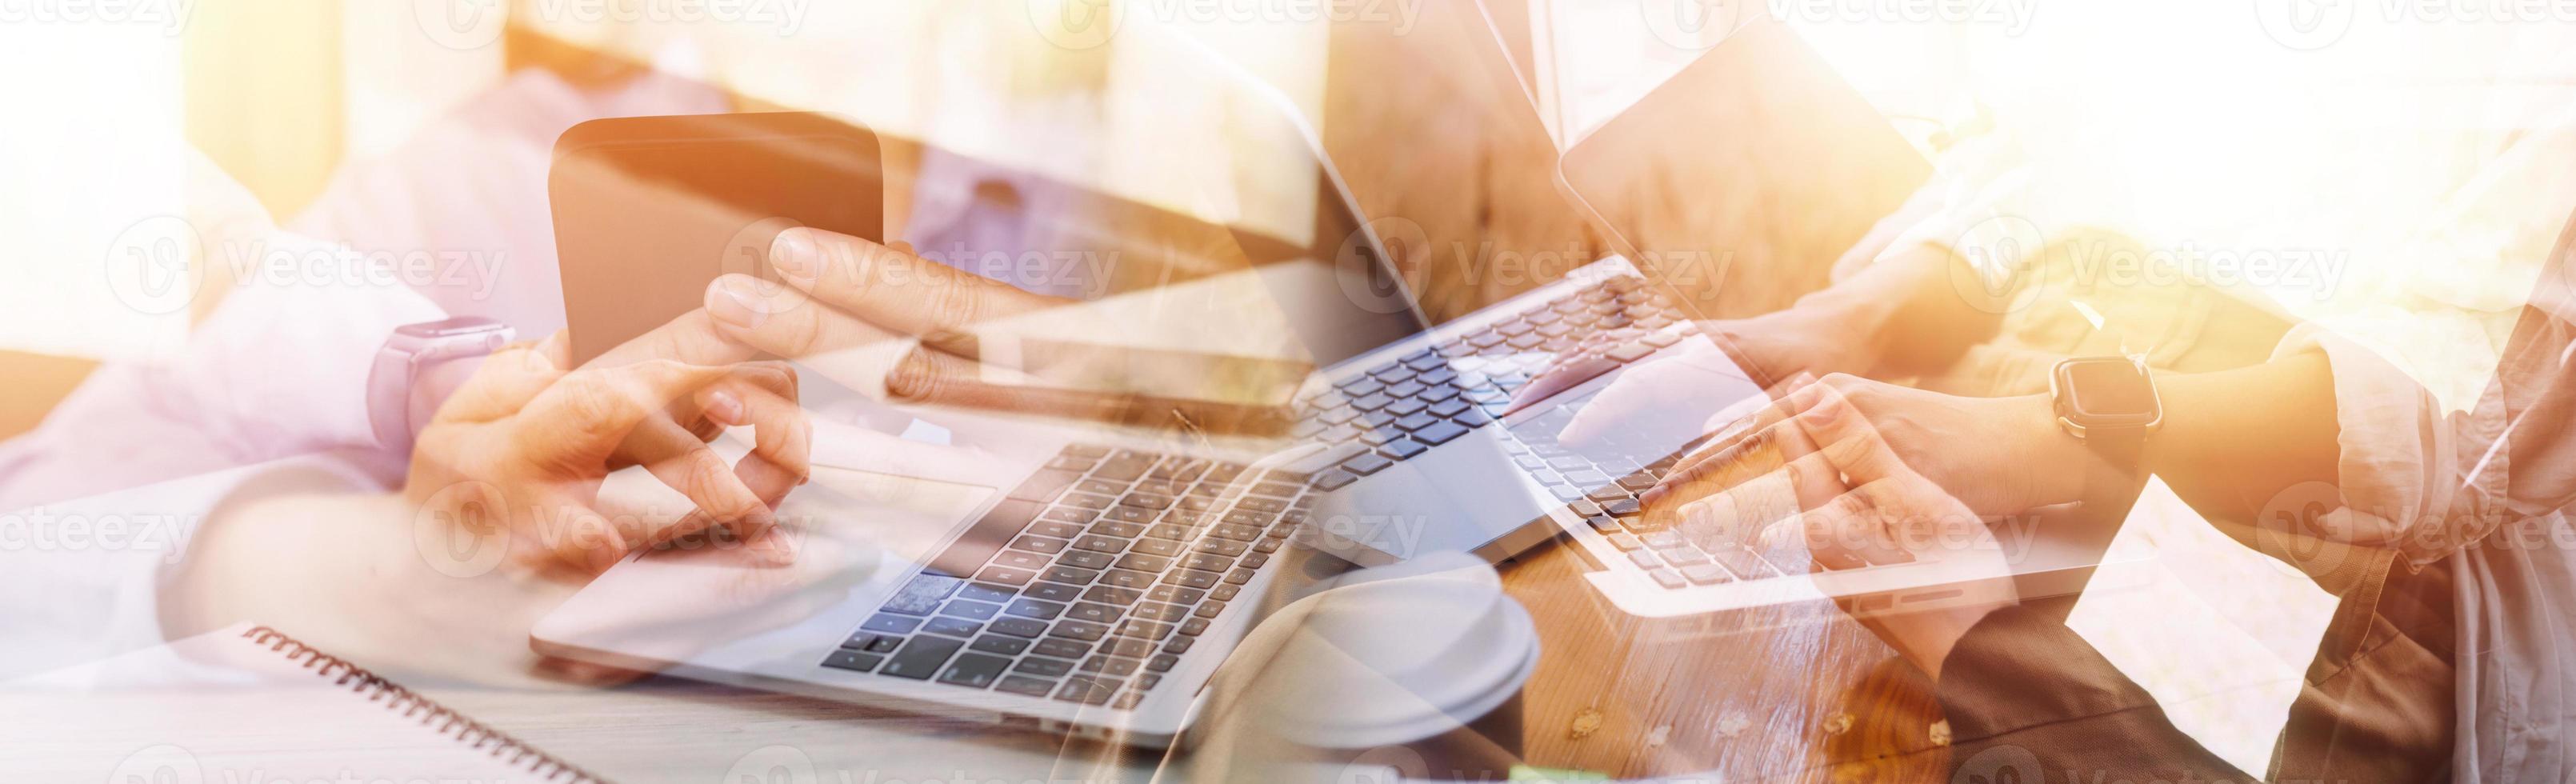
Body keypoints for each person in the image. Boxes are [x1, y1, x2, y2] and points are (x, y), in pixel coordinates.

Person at [1558, 170, 2576, 781]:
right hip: (2045, 435)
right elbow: (2055, 157)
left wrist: (2042, 439)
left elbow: (2475, 417)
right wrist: (1840, 320)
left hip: (2331, 593)